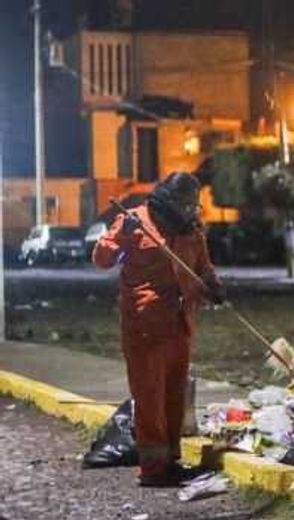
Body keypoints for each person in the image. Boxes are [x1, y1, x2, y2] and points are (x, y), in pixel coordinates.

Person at [93, 172, 224, 487]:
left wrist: (213, 285)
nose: (191, 210)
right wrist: (122, 237)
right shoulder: (135, 221)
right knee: (150, 397)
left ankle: (170, 459)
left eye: (193, 204)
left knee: (174, 396)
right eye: (186, 204)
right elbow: (101, 259)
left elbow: (203, 266)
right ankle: (152, 469)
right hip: (145, 326)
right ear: (169, 200)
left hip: (180, 323)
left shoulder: (191, 228)